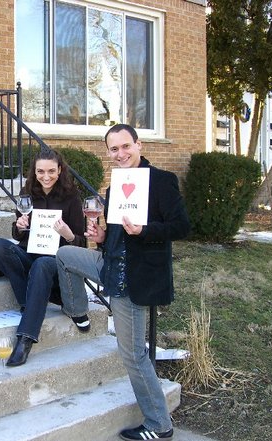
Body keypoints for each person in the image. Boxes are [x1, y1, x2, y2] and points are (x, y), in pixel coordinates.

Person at [55, 124, 190, 440]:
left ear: (139, 144)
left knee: (132, 354)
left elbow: (181, 227)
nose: (120, 154)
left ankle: (159, 423)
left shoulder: (161, 181)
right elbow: (116, 236)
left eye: (125, 146)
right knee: (64, 257)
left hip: (135, 277)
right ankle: (78, 311)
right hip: (109, 264)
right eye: (113, 149)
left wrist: (144, 231)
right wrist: (102, 237)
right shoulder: (115, 187)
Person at [0, 149, 86, 367]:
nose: (46, 176)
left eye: (51, 171)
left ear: (60, 170)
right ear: (34, 171)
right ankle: (29, 300)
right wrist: (20, 226)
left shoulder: (71, 198)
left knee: (43, 264)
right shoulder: (27, 193)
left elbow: (81, 243)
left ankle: (26, 338)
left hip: (55, 261)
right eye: (41, 171)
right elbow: (17, 234)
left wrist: (68, 234)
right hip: (30, 254)